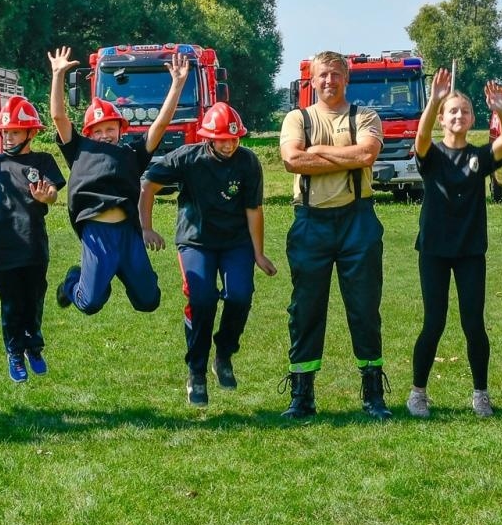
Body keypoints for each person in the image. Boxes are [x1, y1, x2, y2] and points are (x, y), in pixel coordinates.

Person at [140, 101, 276, 407]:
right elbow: (148, 184)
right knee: (201, 301)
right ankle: (196, 372)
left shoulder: (248, 163)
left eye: (233, 139)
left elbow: (253, 209)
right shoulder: (187, 158)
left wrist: (259, 253)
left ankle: (224, 354)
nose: (228, 145)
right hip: (195, 242)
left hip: (236, 243)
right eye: (222, 139)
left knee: (240, 296)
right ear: (207, 137)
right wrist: (145, 227)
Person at [279, 51, 388, 420]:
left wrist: (319, 151)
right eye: (322, 75)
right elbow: (293, 160)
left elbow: (368, 155)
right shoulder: (298, 118)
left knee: (364, 307)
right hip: (311, 223)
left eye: (336, 75)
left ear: (347, 78)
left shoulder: (365, 116)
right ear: (312, 80)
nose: (329, 81)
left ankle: (373, 393)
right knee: (305, 310)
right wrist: (347, 155)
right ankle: (302, 395)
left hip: (358, 219)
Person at [48, 46, 186, 317]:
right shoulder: (78, 149)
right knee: (89, 303)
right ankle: (74, 281)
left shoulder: (132, 153)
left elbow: (159, 125)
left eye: (110, 128)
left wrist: (177, 84)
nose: (104, 135)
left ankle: (118, 273)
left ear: (121, 128)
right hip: (97, 233)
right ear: (89, 133)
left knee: (149, 301)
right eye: (97, 131)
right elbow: (58, 117)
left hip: (127, 232)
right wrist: (58, 75)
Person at [406, 71, 502, 420]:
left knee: (473, 324)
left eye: (464, 112)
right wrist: (435, 98)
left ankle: (480, 393)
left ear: (471, 119)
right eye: (452, 111)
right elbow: (421, 138)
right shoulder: (432, 154)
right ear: (442, 118)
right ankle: (418, 393)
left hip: (470, 252)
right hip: (434, 250)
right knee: (433, 323)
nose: (458, 117)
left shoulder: (478, 157)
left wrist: (501, 110)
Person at [0, 95, 66, 382]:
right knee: (11, 303)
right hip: (4, 248)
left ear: (31, 133)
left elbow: (54, 192)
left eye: (15, 132)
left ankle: (34, 345)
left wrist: (49, 197)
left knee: (33, 299)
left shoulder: (42, 160)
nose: (8, 137)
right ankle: (14, 352)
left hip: (34, 245)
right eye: (5, 132)